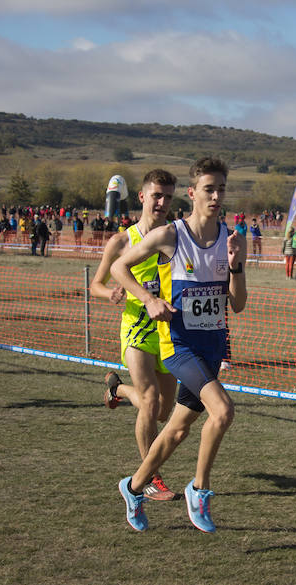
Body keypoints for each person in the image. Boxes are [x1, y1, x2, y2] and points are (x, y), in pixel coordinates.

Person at [110, 157, 247, 533]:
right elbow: (119, 268)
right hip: (179, 345)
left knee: (176, 430)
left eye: (221, 188)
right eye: (209, 189)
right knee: (222, 411)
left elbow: (237, 304)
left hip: (212, 348)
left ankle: (134, 487)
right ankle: (199, 489)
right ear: (192, 193)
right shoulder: (171, 235)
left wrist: (237, 266)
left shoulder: (231, 238)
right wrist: (148, 298)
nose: (216, 196)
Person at [90, 169, 179, 503]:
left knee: (159, 412)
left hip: (168, 331)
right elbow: (96, 283)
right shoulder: (121, 240)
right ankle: (150, 477)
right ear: (142, 197)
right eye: (156, 195)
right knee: (151, 399)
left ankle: (118, 389)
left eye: (168, 197)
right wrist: (109, 294)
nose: (162, 202)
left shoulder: (175, 235)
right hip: (137, 328)